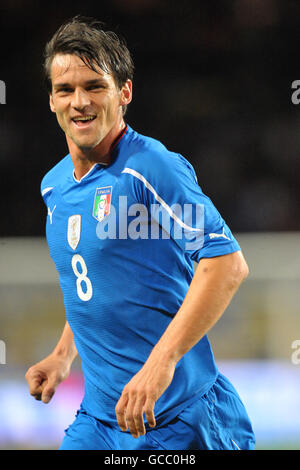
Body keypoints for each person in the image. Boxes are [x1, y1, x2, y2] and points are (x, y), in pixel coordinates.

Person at [25, 16, 255, 451]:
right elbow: (91, 282)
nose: (80, 101)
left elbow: (226, 265)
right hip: (100, 420)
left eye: (95, 86)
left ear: (123, 93)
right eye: (65, 89)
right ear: (52, 101)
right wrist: (62, 355)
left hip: (179, 419)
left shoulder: (151, 168)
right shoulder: (54, 186)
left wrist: (159, 364)